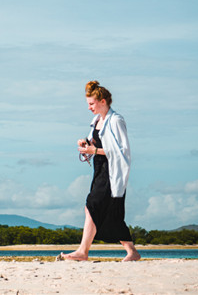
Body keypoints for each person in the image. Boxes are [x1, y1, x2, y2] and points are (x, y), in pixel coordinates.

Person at [58, 80, 140, 262]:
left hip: (112, 171)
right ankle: (131, 251)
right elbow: (95, 142)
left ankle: (82, 251)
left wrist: (93, 151)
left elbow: (122, 151)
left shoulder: (116, 120)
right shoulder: (96, 121)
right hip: (99, 170)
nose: (89, 108)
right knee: (109, 212)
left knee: (92, 204)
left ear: (103, 101)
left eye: (91, 104)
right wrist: (85, 143)